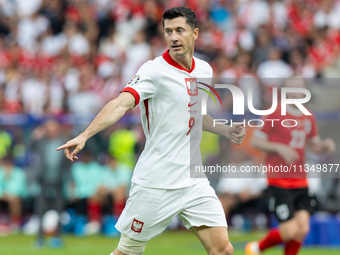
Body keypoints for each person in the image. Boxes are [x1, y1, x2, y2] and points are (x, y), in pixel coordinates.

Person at [57, 7, 246, 255]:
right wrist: (84, 135)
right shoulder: (153, 71)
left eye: (180, 30)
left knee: (223, 250)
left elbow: (196, 115)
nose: (174, 37)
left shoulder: (204, 70)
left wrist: (225, 130)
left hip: (193, 180)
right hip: (156, 181)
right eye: (168, 31)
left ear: (195, 33)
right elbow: (120, 104)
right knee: (127, 252)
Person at [245, 77, 336, 255]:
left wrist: (324, 146)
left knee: (302, 229)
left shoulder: (309, 115)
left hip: (301, 180)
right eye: (291, 88)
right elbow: (255, 141)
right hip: (278, 181)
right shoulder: (275, 113)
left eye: (299, 88)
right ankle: (256, 248)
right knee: (290, 231)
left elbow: (314, 146)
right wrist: (279, 147)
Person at [0, 154, 27, 235]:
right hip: (3, 195)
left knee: (15, 201)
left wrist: (10, 195)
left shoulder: (19, 173)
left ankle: (15, 224)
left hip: (15, 196)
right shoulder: (1, 172)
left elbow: (21, 188)